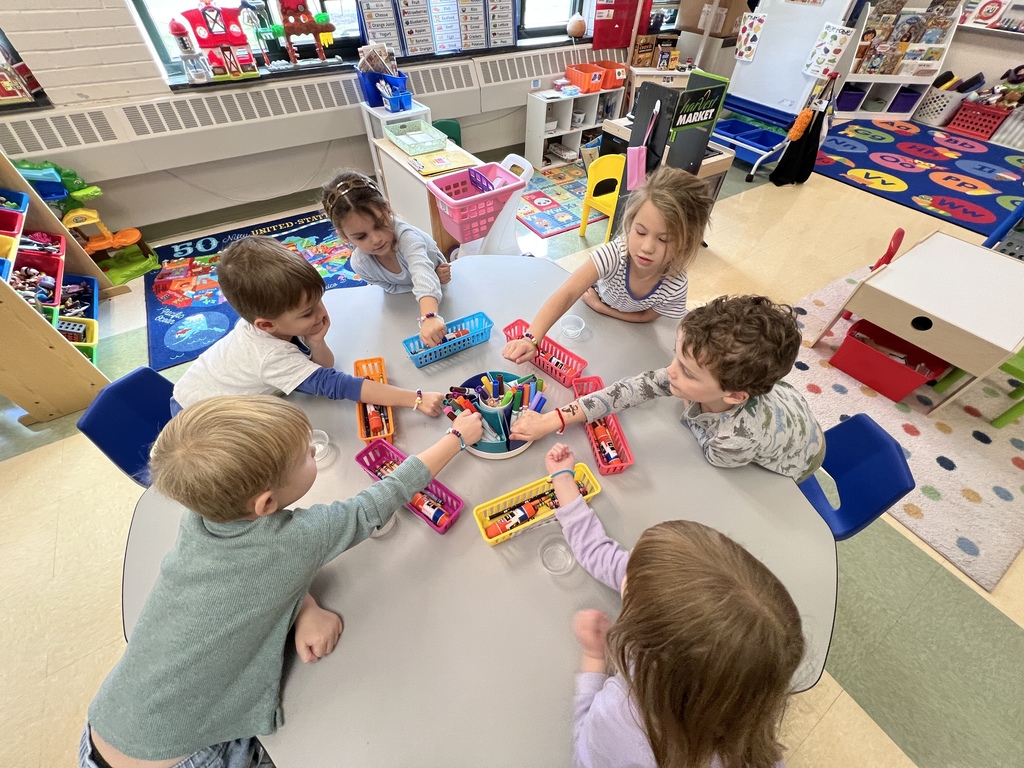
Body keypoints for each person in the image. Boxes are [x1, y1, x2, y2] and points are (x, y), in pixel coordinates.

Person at [80, 395, 484, 768]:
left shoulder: (201, 517)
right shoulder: (294, 540)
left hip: (108, 725)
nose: (313, 450)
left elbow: (255, 578)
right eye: (306, 454)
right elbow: (375, 504)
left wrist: (304, 605)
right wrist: (456, 438)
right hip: (191, 755)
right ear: (267, 503)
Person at [544, 442, 805, 768]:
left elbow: (585, 759)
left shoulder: (620, 715)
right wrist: (564, 480)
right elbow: (602, 555)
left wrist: (595, 659)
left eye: (630, 585)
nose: (625, 570)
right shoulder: (741, 695)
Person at [511, 295, 825, 483]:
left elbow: (712, 455)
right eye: (676, 356)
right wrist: (552, 419)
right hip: (787, 407)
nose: (670, 371)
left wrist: (689, 413)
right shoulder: (712, 378)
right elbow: (625, 392)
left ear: (734, 395)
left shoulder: (733, 440)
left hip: (800, 456)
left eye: (687, 372)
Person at [170, 235, 443, 417]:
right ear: (266, 325)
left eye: (318, 301)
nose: (321, 313)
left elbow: (323, 367)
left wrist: (316, 342)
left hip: (204, 389)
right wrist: (415, 399)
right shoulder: (271, 356)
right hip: (199, 414)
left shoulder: (273, 321)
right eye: (307, 313)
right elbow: (336, 384)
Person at [503, 166, 713, 365]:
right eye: (640, 232)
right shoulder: (615, 254)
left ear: (686, 242)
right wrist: (531, 339)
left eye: (664, 239)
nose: (647, 247)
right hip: (587, 318)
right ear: (630, 223)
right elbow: (568, 292)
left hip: (626, 332)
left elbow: (648, 317)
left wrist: (601, 307)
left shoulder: (676, 283)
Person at [321, 170, 452, 348]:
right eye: (361, 236)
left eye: (380, 225)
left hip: (439, 296)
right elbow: (391, 288)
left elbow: (422, 272)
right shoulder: (360, 264)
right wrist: (432, 278)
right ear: (345, 237)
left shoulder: (407, 238)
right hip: (413, 303)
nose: (376, 239)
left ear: (388, 210)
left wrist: (429, 316)